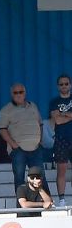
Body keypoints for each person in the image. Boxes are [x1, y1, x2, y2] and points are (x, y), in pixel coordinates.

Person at [0, 83, 43, 190]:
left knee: (41, 177)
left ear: (25, 93)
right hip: (19, 150)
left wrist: (40, 140)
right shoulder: (6, 110)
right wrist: (14, 145)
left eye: (21, 92)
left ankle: (46, 202)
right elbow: (2, 129)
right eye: (15, 92)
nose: (18, 95)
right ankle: (21, 204)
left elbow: (40, 124)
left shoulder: (33, 106)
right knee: (19, 178)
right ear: (11, 94)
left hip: (36, 149)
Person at [48, 73, 71, 207]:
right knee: (61, 170)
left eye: (66, 84)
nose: (64, 86)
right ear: (58, 86)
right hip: (61, 139)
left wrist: (64, 114)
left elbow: (61, 117)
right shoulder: (54, 102)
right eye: (61, 84)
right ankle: (62, 199)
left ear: (70, 85)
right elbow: (57, 120)